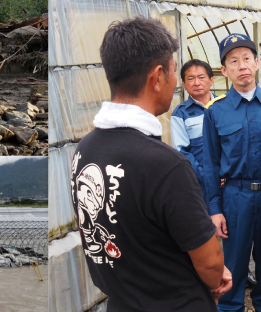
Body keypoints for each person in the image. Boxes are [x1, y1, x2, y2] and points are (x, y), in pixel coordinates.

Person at [71, 16, 231, 311]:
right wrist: (216, 279)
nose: (174, 80)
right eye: (173, 71)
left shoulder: (85, 150)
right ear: (157, 77)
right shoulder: (167, 165)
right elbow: (210, 262)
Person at [202, 33, 261, 312]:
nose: (242, 66)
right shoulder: (216, 111)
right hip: (236, 197)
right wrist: (215, 210)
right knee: (233, 263)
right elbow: (211, 164)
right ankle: (229, 308)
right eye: (234, 61)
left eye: (247, 58)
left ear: (257, 63)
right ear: (224, 70)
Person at [171, 59, 216, 199]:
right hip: (200, 185)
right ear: (183, 84)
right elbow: (182, 152)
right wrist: (207, 177)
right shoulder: (180, 114)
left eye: (201, 77)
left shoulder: (225, 106)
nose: (197, 83)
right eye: (191, 78)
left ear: (211, 80)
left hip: (230, 180)